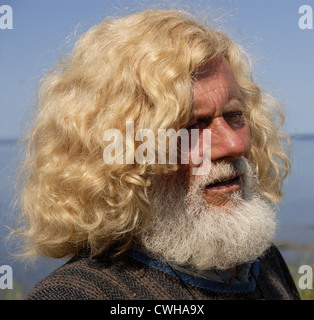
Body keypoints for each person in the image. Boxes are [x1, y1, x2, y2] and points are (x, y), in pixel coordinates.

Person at [14, 9, 300, 300]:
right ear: (125, 155)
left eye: (234, 115)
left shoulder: (264, 261)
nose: (234, 145)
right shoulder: (77, 294)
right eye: (192, 126)